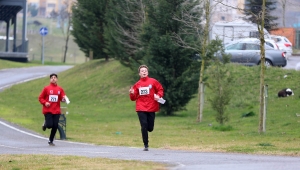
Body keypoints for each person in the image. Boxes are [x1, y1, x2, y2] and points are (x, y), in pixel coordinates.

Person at [129, 65, 164, 151]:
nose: (144, 72)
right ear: (139, 73)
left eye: (145, 71)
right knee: (144, 125)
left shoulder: (153, 81)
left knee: (150, 128)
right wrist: (132, 93)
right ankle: (146, 144)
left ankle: (148, 132)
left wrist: (158, 96)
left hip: (151, 107)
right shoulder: (137, 85)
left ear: (147, 72)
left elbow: (160, 89)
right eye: (142, 71)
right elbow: (133, 98)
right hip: (141, 107)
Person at [38, 73, 68, 146]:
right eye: (52, 77)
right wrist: (45, 103)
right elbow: (40, 98)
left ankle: (50, 141)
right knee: (49, 125)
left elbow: (62, 98)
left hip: (56, 111)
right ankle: (45, 124)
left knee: (55, 126)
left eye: (55, 77)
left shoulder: (60, 89)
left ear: (57, 79)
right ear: (50, 79)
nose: (53, 78)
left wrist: (64, 100)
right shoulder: (46, 88)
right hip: (48, 110)